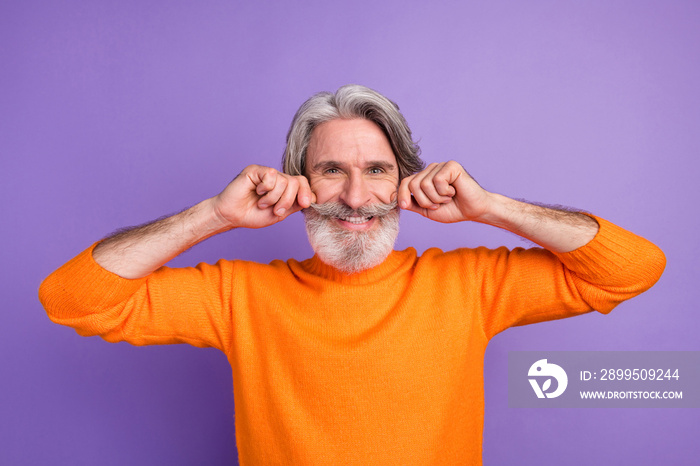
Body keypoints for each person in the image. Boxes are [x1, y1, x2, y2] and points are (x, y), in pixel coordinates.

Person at [39, 84, 666, 465]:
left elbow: (634, 269)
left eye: (378, 170)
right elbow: (71, 300)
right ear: (299, 183)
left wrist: (491, 208)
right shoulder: (238, 295)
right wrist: (212, 215)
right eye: (332, 170)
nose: (357, 197)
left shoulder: (470, 285)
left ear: (407, 183)